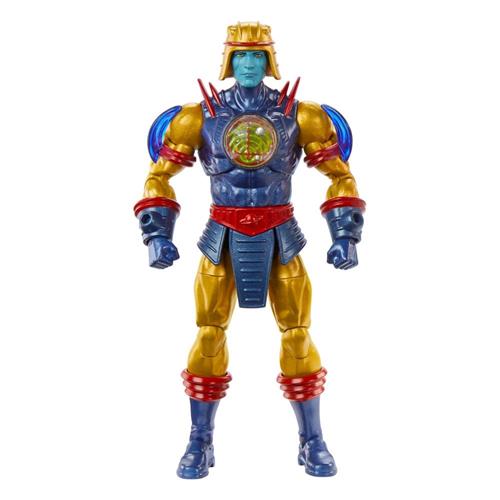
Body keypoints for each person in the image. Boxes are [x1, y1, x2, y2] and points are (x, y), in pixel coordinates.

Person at [134, 21, 365, 479]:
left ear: (270, 61)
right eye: (241, 55)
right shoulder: (196, 118)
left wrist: (345, 235)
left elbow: (340, 175)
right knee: (208, 334)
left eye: (257, 55)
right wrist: (157, 233)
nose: (248, 64)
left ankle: (312, 440)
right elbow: (158, 176)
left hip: (281, 235)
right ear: (227, 61)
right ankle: (199, 440)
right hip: (221, 236)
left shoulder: (303, 116)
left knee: (297, 336)